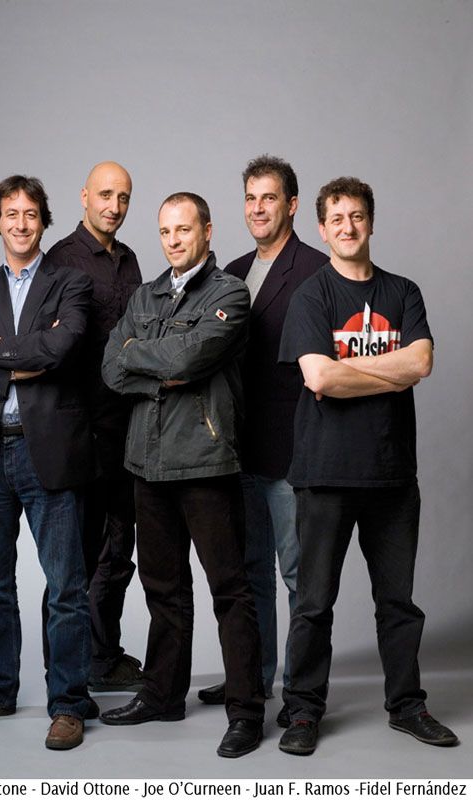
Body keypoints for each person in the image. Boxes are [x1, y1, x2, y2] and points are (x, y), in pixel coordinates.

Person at [277, 176, 458, 755]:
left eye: (357, 216)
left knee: (398, 604)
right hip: (325, 473)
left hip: (392, 475)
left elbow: (421, 363)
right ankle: (303, 712)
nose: (348, 227)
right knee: (313, 604)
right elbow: (319, 376)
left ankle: (408, 706)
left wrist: (351, 370)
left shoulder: (403, 291)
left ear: (371, 223)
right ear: (322, 229)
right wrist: (390, 370)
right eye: (337, 219)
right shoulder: (311, 295)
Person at [100, 192, 265, 758]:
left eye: (183, 230)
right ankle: (163, 694)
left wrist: (145, 354)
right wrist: (158, 366)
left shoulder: (229, 293)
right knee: (162, 589)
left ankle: (246, 711)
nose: (173, 240)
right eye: (165, 231)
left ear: (207, 231)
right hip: (146, 463)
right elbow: (110, 367)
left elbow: (190, 358)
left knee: (229, 590)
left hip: (205, 461)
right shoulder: (144, 295)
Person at [0, 175, 97, 751]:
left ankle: (69, 703)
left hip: (47, 448)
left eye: (31, 213)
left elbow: (60, 347)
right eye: (12, 214)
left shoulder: (69, 282)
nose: (22, 223)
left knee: (66, 587)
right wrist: (19, 355)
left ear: (43, 221)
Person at [198, 155, 327, 725]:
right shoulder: (233, 269)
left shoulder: (316, 270)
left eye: (268, 198)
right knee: (250, 575)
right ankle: (252, 677)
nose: (257, 208)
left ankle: (301, 693)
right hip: (236, 450)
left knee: (298, 576)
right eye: (250, 198)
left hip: (293, 450)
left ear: (291, 205)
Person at [46, 161, 143, 692]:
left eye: (123, 197)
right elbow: (51, 347)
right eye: (105, 195)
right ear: (84, 196)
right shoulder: (61, 260)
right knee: (76, 558)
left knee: (118, 553)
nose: (114, 206)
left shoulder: (129, 260)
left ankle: (103, 657)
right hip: (79, 432)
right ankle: (65, 670)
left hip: (127, 429)